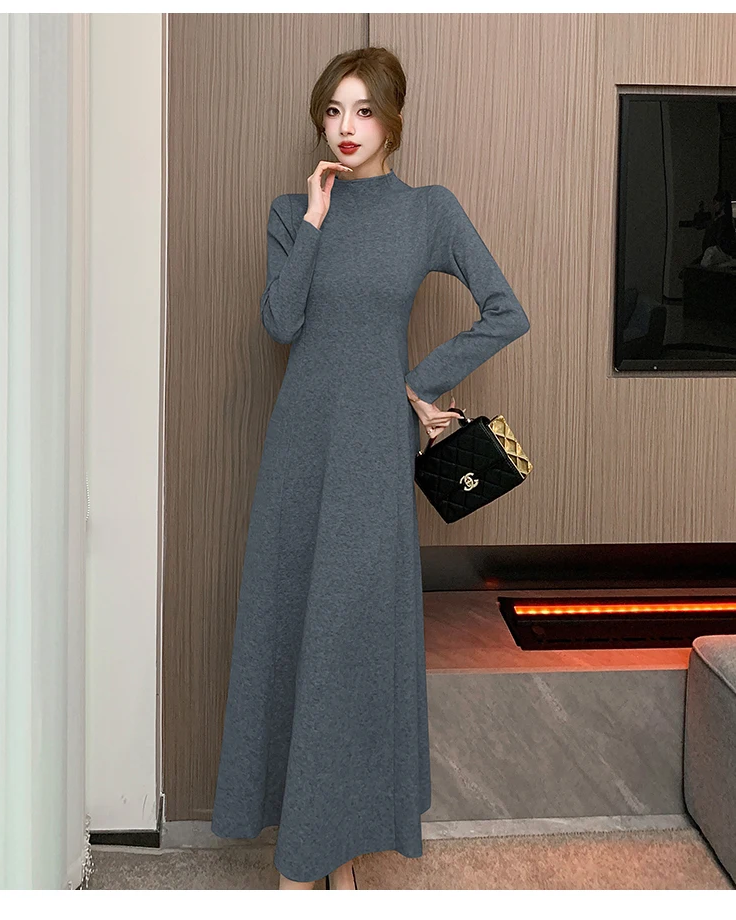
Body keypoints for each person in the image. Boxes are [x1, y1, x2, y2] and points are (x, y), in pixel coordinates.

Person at [210, 46, 531, 890]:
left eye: (362, 111)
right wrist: (317, 218)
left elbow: (507, 310)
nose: (346, 128)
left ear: (393, 118)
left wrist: (419, 383)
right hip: (300, 450)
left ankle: (336, 851)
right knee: (297, 633)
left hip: (373, 454)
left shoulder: (428, 210)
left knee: (350, 645)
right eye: (333, 111)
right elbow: (281, 323)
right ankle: (309, 866)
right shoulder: (293, 211)